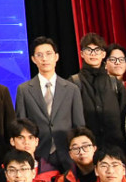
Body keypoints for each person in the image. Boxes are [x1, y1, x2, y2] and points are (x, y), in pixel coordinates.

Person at [14, 35, 85, 167]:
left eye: (48, 54)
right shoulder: (24, 90)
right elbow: (21, 126)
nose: (44, 59)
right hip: (38, 153)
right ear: (33, 59)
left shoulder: (71, 89)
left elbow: (79, 126)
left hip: (67, 152)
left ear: (56, 57)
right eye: (39, 55)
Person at [76, 35, 126, 156]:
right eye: (88, 50)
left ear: (103, 54)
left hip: (116, 149)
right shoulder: (74, 82)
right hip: (86, 151)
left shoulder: (115, 84)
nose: (93, 54)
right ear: (82, 54)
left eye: (97, 50)